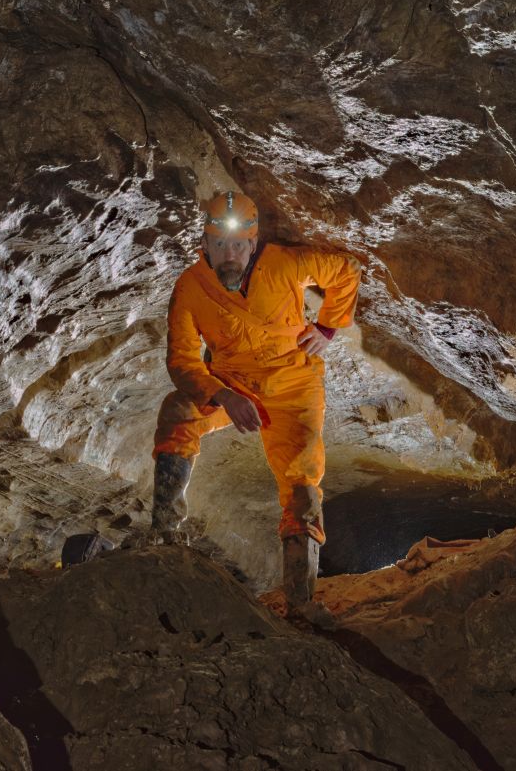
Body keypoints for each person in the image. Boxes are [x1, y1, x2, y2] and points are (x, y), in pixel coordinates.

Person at [150, 189, 360, 622]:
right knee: (178, 412)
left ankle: (300, 604)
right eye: (220, 244)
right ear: (204, 245)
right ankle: (164, 535)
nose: (230, 255)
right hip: (233, 386)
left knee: (301, 479)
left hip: (293, 388)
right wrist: (221, 394)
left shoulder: (285, 264)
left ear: (253, 243)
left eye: (238, 245)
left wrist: (327, 327)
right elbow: (183, 361)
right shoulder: (190, 287)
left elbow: (344, 271)